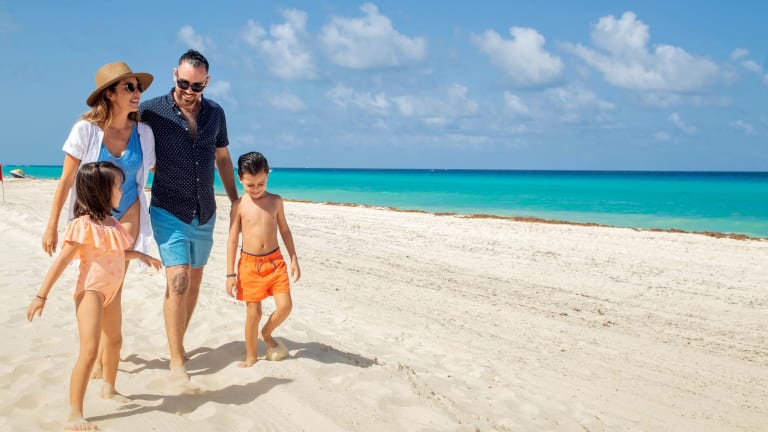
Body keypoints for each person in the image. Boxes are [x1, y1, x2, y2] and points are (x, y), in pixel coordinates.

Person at [42, 61, 156, 379]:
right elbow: (66, 180)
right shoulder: (86, 130)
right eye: (129, 87)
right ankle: (97, 346)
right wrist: (52, 225)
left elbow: (153, 172)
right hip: (92, 217)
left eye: (138, 87)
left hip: (129, 211)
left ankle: (108, 355)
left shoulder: (144, 133)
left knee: (114, 278)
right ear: (109, 94)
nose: (137, 92)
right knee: (95, 275)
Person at [27, 162, 162, 431]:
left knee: (115, 341)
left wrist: (139, 255)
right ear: (100, 191)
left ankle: (109, 389)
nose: (121, 190)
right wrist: (41, 296)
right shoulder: (82, 225)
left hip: (111, 291)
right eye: (117, 186)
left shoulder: (112, 224)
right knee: (89, 350)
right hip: (91, 291)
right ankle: (74, 413)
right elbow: (62, 262)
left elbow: (114, 253)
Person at [140, 49, 239, 381]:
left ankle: (177, 344)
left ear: (206, 82)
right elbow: (122, 136)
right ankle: (176, 361)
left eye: (196, 86)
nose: (188, 91)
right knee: (178, 281)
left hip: (205, 212)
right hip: (168, 209)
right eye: (183, 83)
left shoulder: (215, 113)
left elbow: (222, 157)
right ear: (174, 75)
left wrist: (235, 199)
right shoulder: (151, 111)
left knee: (193, 285)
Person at [226, 152, 301, 367]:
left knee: (285, 306)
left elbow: (285, 231)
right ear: (240, 179)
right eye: (250, 185)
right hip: (249, 266)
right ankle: (251, 355)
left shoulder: (275, 201)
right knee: (254, 313)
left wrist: (293, 258)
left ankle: (266, 333)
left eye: (261, 183)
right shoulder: (239, 206)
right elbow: (232, 240)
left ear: (267, 175)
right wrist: (230, 274)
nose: (256, 189)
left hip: (275, 262)